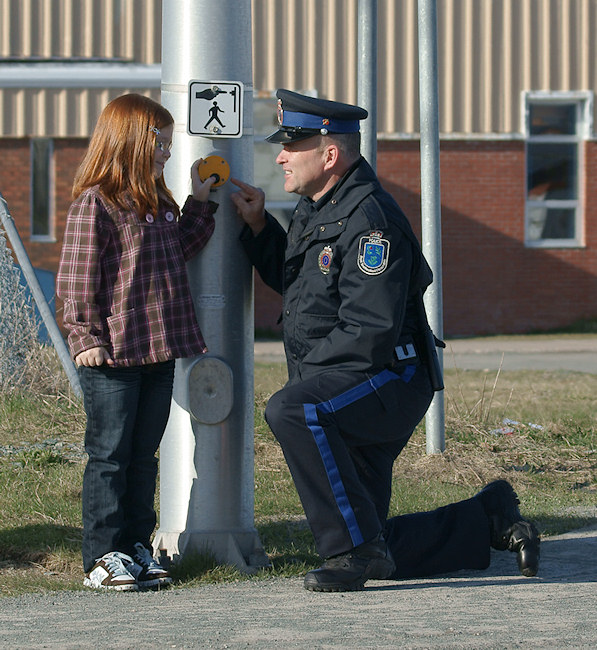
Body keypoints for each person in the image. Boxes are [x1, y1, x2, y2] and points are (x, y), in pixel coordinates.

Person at [231, 89, 540, 592]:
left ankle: (352, 552)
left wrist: (308, 384)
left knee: (294, 410)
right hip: (355, 378)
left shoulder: (371, 220)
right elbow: (303, 286)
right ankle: (489, 518)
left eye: (292, 146)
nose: (280, 156)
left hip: (388, 378)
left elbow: (368, 330)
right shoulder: (320, 205)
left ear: (330, 155)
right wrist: (260, 227)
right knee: (372, 535)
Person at [57, 93, 218, 591]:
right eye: (159, 143)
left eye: (169, 144)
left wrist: (199, 201)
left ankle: (133, 548)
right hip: (111, 354)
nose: (167, 153)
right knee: (110, 455)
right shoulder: (97, 203)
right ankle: (101, 558)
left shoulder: (160, 204)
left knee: (143, 456)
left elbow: (179, 250)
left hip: (157, 350)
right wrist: (84, 334)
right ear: (128, 140)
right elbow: (76, 276)